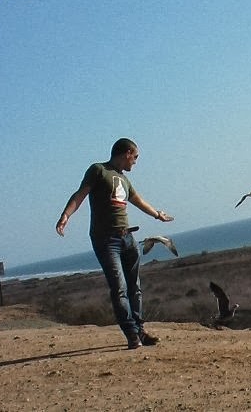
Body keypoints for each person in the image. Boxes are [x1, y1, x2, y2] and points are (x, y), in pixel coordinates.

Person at [55, 138, 174, 349]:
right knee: (119, 288)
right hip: (106, 239)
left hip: (127, 237)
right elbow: (80, 194)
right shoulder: (98, 170)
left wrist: (157, 214)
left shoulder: (124, 180)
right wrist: (66, 215)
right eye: (135, 157)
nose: (135, 162)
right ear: (127, 153)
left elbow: (138, 201)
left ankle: (140, 330)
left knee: (135, 288)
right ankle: (132, 334)